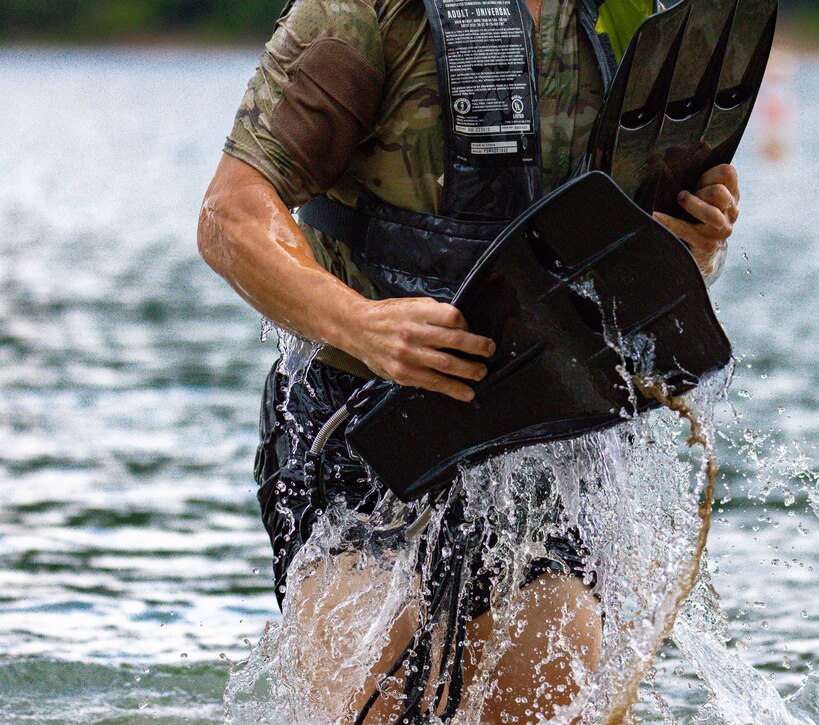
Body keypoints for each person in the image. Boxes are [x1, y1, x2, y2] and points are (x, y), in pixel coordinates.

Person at [197, 0, 740, 720]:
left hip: (543, 449)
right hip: (361, 437)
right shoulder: (361, 13)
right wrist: (362, 324)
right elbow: (231, 212)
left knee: (561, 679)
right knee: (370, 696)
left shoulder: (628, 15)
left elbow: (630, 266)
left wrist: (688, 245)